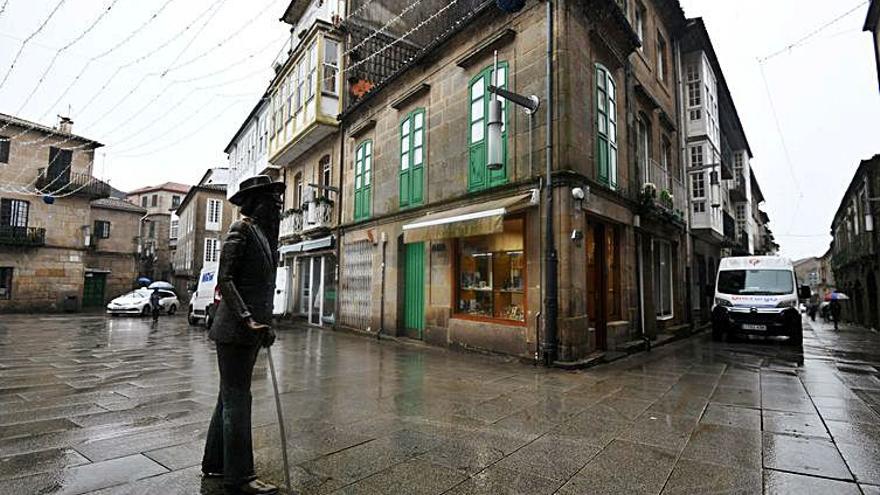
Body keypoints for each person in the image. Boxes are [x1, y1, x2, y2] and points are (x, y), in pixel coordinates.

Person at [202, 175, 283, 495]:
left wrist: (266, 324)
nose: (277, 206)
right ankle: (240, 477)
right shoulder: (242, 230)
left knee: (228, 395)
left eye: (278, 202)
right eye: (271, 201)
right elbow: (226, 279)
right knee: (238, 399)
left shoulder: (263, 235)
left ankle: (216, 462)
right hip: (235, 329)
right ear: (255, 203)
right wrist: (248, 320)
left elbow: (261, 288)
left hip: (250, 329)